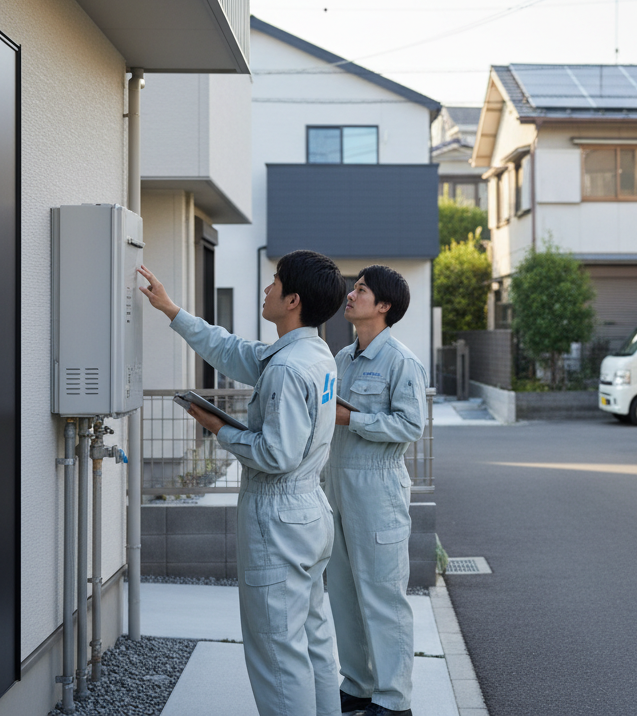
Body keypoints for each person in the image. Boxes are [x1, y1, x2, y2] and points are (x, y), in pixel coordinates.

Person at [138, 252, 346, 716]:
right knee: (311, 640)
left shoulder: (288, 370)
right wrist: (173, 311)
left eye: (274, 283)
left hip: (279, 517)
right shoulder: (311, 353)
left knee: (276, 651)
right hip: (309, 511)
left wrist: (218, 428)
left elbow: (276, 454)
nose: (267, 290)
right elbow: (233, 351)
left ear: (292, 299)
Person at [327, 265, 427, 716]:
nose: (351, 294)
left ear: (383, 306)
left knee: (383, 597)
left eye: (362, 290)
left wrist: (354, 419)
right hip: (339, 485)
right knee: (344, 594)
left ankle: (394, 699)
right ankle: (357, 685)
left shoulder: (401, 361)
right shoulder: (343, 358)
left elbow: (411, 425)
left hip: (379, 486)